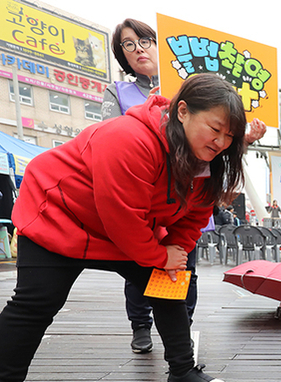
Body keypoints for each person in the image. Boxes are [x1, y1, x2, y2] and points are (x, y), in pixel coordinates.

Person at [0, 73, 247, 382]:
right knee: (36, 303)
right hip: (60, 216)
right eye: (215, 129)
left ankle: (183, 371)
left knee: (171, 287)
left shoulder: (208, 163)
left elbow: (194, 218)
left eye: (230, 136)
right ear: (183, 111)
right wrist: (160, 256)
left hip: (128, 229)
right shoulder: (130, 137)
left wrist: (175, 252)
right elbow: (121, 216)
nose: (221, 143)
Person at [100, 18, 266, 354]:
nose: (138, 49)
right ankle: (141, 325)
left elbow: (216, 141)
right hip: (137, 202)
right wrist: (156, 253)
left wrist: (235, 140)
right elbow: (116, 176)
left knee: (180, 271)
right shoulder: (121, 99)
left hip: (181, 201)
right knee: (140, 268)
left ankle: (181, 342)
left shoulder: (194, 92)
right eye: (128, 45)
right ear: (181, 111)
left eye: (144, 41)